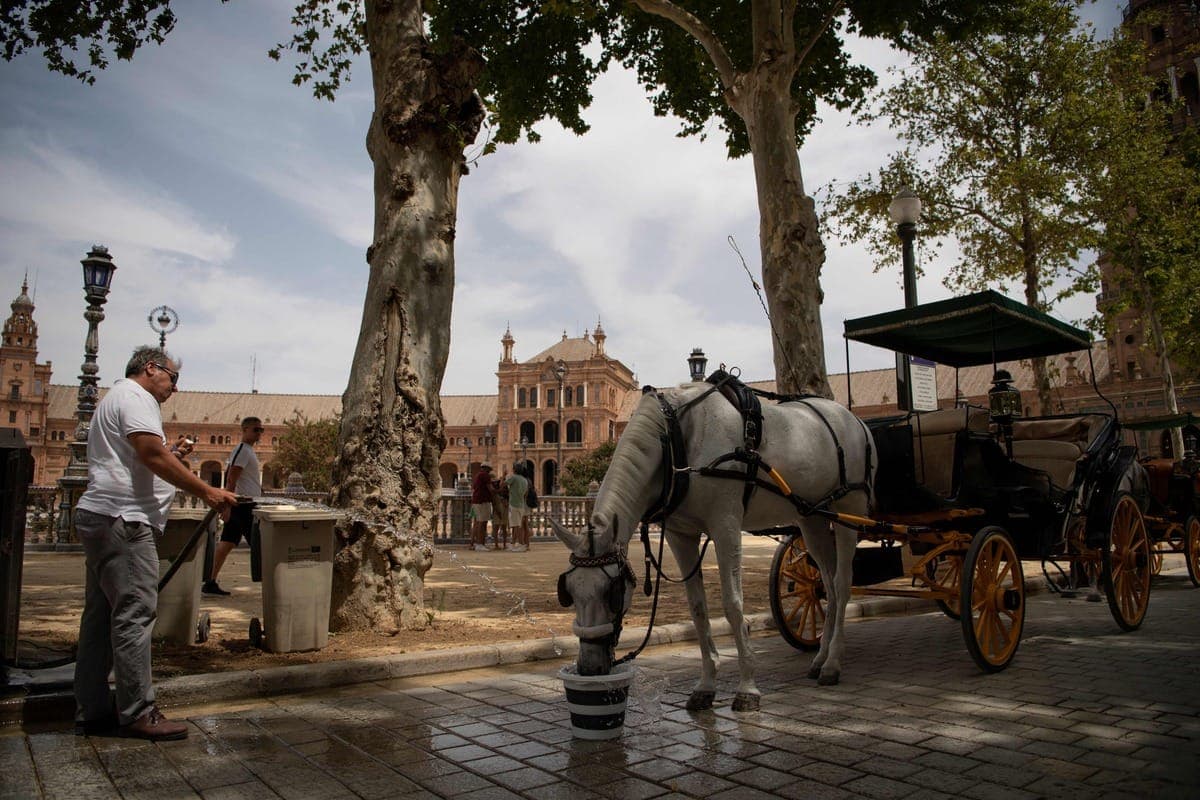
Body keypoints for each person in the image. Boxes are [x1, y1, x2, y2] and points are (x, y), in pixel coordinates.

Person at [73, 346, 238, 741]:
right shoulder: (137, 397)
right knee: (134, 615)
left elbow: (143, 455)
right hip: (125, 522)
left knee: (99, 619)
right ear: (151, 368)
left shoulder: (115, 398)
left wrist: (172, 453)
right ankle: (138, 712)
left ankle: (92, 709)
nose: (174, 389)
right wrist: (208, 492)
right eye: (173, 379)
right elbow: (149, 453)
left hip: (101, 517)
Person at [203, 416, 264, 596]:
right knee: (260, 545)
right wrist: (227, 504)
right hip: (243, 505)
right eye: (255, 429)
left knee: (227, 543)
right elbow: (231, 476)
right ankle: (272, 582)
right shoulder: (243, 450)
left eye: (261, 430)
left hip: (243, 503)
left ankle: (210, 580)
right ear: (244, 430)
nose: (258, 433)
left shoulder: (247, 450)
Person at [505, 462, 530, 552]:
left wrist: (504, 476)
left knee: (516, 525)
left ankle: (521, 544)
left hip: (514, 504)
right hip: (521, 504)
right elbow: (526, 493)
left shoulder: (513, 477)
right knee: (517, 524)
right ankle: (515, 544)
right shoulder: (524, 480)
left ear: (514, 470)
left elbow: (504, 484)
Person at [470, 463, 494, 551]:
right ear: (486, 469)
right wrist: (499, 491)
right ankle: (480, 544)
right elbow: (490, 489)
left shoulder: (478, 475)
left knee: (478, 522)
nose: (489, 471)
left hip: (476, 501)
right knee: (482, 522)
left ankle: (475, 543)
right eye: (489, 469)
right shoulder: (485, 475)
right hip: (482, 501)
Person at [490, 468, 509, 550]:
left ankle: (499, 544)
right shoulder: (497, 493)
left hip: (501, 508)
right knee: (500, 528)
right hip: (502, 509)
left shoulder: (497, 493)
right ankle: (500, 545)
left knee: (499, 528)